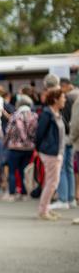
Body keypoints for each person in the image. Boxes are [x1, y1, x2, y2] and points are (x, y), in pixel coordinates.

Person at [35, 87, 67, 221]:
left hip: (56, 151)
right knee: (52, 182)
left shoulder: (57, 113)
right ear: (55, 100)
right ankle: (43, 211)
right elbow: (39, 133)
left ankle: (45, 208)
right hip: (50, 152)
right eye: (62, 98)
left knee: (52, 181)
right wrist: (40, 148)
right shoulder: (47, 114)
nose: (64, 100)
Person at [2, 95, 38, 202]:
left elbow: (8, 131)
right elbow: (36, 132)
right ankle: (24, 193)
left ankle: (12, 193)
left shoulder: (15, 116)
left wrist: (5, 143)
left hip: (15, 147)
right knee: (24, 171)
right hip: (29, 148)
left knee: (12, 171)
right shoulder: (34, 116)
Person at [53, 77, 76, 209]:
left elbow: (63, 122)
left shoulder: (63, 101)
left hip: (64, 137)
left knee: (62, 169)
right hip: (71, 137)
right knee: (69, 168)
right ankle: (71, 198)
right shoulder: (71, 100)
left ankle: (63, 199)